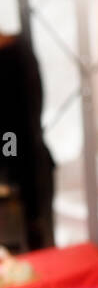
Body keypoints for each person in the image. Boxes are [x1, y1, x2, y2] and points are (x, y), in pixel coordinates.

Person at [0, 30, 55, 250]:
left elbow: (25, 121)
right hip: (21, 172)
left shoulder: (16, 54)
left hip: (26, 176)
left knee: (32, 251)